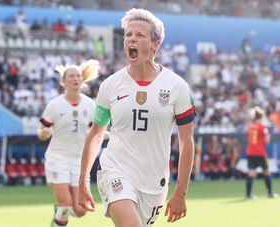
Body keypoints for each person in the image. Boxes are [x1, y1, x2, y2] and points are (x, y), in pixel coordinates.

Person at [78, 8, 195, 227]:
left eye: (139, 35)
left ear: (155, 44)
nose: (132, 38)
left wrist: (181, 192)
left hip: (154, 182)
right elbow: (96, 133)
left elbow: (186, 141)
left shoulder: (176, 87)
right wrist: (83, 181)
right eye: (128, 34)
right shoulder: (110, 85)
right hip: (115, 170)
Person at [37, 59, 106, 227]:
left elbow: (95, 131)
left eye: (78, 76)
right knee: (66, 203)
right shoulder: (55, 104)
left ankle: (59, 215)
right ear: (63, 81)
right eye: (71, 76)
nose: (75, 79)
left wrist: (113, 135)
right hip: (57, 158)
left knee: (80, 210)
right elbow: (41, 131)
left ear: (82, 80)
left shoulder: (90, 105)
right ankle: (60, 218)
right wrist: (43, 134)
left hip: (79, 161)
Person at [245, 106, 277, 199]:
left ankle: (248, 194)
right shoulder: (263, 128)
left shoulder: (250, 128)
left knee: (251, 172)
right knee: (266, 172)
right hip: (260, 152)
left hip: (250, 152)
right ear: (261, 117)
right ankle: (270, 193)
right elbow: (266, 140)